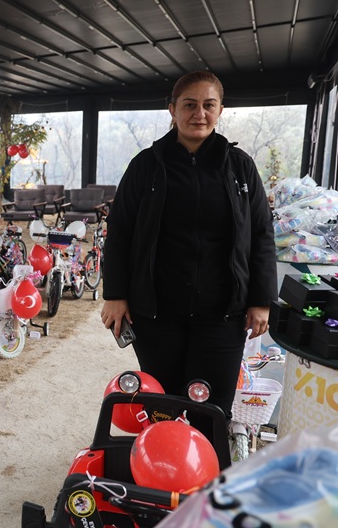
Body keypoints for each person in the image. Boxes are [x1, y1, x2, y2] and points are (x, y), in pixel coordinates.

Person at [100, 71, 277, 420]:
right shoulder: (146, 166)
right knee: (162, 405)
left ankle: (206, 474)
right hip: (157, 314)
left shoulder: (239, 168)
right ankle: (160, 470)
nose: (200, 114)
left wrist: (261, 300)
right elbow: (119, 232)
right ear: (172, 110)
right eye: (189, 105)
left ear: (221, 109)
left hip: (222, 314)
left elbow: (261, 234)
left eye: (208, 105)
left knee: (210, 409)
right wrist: (115, 295)